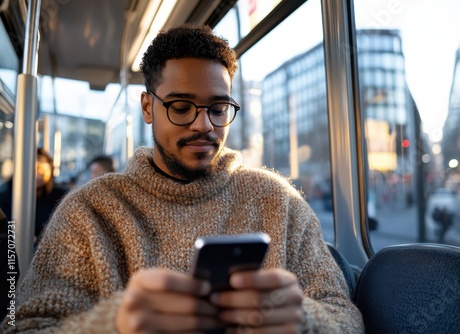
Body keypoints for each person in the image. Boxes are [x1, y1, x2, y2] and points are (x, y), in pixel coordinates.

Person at [2, 24, 363, 333]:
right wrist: (113, 324)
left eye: (218, 108)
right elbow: (26, 326)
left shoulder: (279, 201)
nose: (203, 125)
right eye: (181, 107)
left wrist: (305, 320)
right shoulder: (92, 212)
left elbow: (345, 319)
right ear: (148, 107)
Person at [0, 148, 68, 240]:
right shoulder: (5, 196)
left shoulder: (61, 197)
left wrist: (41, 241)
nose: (36, 175)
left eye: (40, 171)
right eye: (31, 170)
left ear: (50, 170)